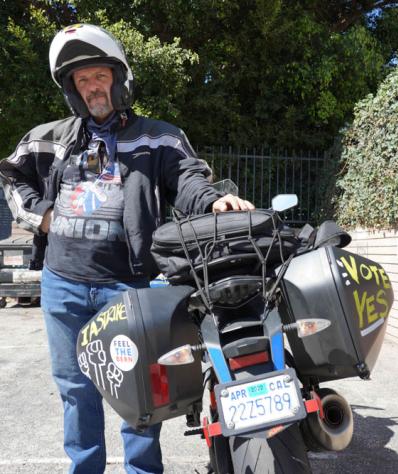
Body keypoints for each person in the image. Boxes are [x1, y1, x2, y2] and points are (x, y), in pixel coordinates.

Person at [0, 24, 254, 474]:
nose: (93, 87)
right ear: (73, 91)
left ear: (118, 79)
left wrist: (214, 199)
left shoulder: (158, 136)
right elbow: (12, 177)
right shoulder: (52, 137)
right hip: (64, 286)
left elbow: (188, 179)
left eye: (99, 76)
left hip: (131, 286)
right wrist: (40, 217)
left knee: (140, 389)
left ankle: (142, 471)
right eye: (82, 81)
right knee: (75, 390)